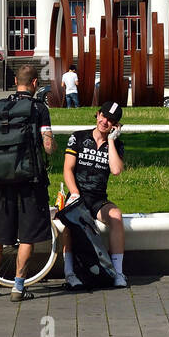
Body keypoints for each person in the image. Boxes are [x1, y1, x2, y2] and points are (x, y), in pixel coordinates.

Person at [0, 64, 55, 302]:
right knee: (27, 236)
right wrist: (52, 147)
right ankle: (18, 287)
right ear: (35, 83)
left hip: (3, 180)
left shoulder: (1, 108)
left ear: (16, 81)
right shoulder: (38, 109)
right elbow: (47, 146)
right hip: (30, 180)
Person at [64, 101, 127, 289]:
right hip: (77, 195)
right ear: (97, 114)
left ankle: (118, 273)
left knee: (116, 216)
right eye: (104, 116)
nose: (105, 122)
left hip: (98, 198)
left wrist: (110, 141)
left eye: (111, 120)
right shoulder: (78, 137)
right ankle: (69, 273)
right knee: (68, 222)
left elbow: (116, 170)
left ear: (115, 125)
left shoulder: (116, 145)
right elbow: (68, 169)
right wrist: (74, 194)